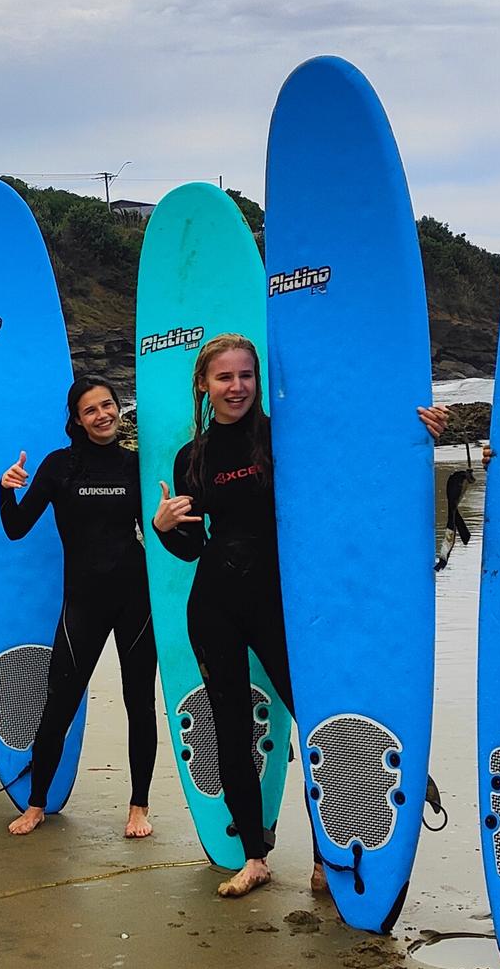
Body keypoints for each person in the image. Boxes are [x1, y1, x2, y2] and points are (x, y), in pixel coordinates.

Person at [152, 334, 446, 898]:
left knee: (318, 724)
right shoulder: (193, 457)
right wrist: (164, 528)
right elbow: (191, 549)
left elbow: (351, 465)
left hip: (282, 604)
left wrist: (417, 433)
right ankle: (254, 857)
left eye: (246, 375)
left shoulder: (284, 435)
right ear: (204, 385)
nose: (237, 387)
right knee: (232, 730)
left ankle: (324, 855)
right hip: (214, 605)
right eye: (224, 377)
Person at [0, 376, 157, 839]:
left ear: (118, 408)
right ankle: (36, 804)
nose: (103, 415)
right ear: (77, 419)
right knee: (59, 704)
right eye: (91, 410)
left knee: (139, 703)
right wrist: (6, 489)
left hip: (135, 599)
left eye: (108, 405)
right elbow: (15, 528)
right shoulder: (59, 466)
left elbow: (158, 528)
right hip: (84, 601)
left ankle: (139, 806)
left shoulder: (136, 465)